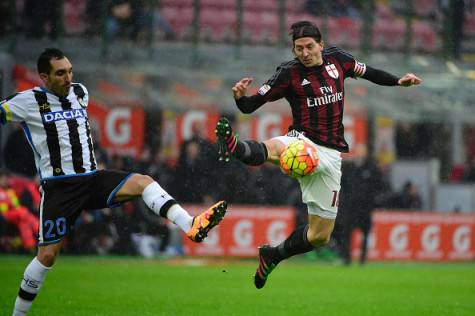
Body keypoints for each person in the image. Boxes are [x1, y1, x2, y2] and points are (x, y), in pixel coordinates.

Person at [0, 48, 227, 315]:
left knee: (144, 182)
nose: (68, 78)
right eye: (60, 73)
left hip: (92, 179)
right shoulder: (26, 102)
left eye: (70, 71)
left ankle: (190, 224)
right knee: (47, 257)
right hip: (60, 189)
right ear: (44, 77)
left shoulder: (80, 92)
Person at [215, 21, 421, 289]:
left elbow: (369, 72)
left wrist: (397, 81)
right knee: (277, 149)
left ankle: (272, 255)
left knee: (319, 236)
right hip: (302, 142)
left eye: (309, 47)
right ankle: (235, 147)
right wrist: (240, 98)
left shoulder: (339, 60)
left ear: (321, 45)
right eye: (298, 48)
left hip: (332, 155)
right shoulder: (288, 74)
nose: (304, 53)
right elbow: (250, 106)